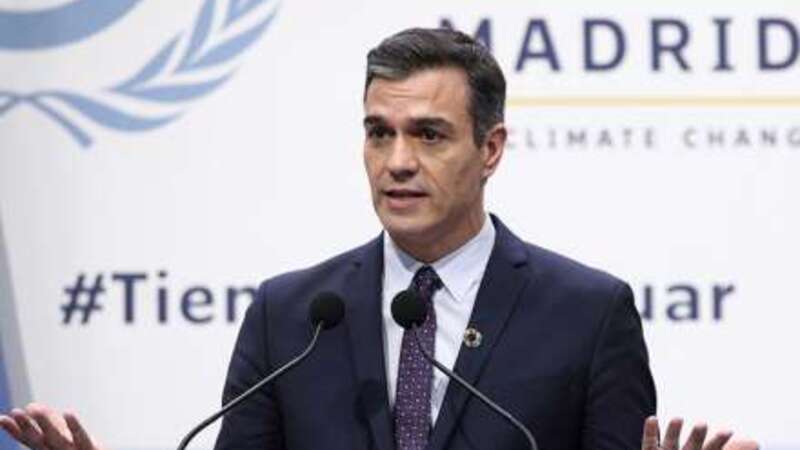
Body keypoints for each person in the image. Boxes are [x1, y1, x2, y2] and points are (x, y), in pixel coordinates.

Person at [0, 28, 758, 450]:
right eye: (378, 132)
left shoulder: (588, 314)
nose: (397, 161)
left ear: (491, 149)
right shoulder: (291, 316)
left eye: (429, 134)